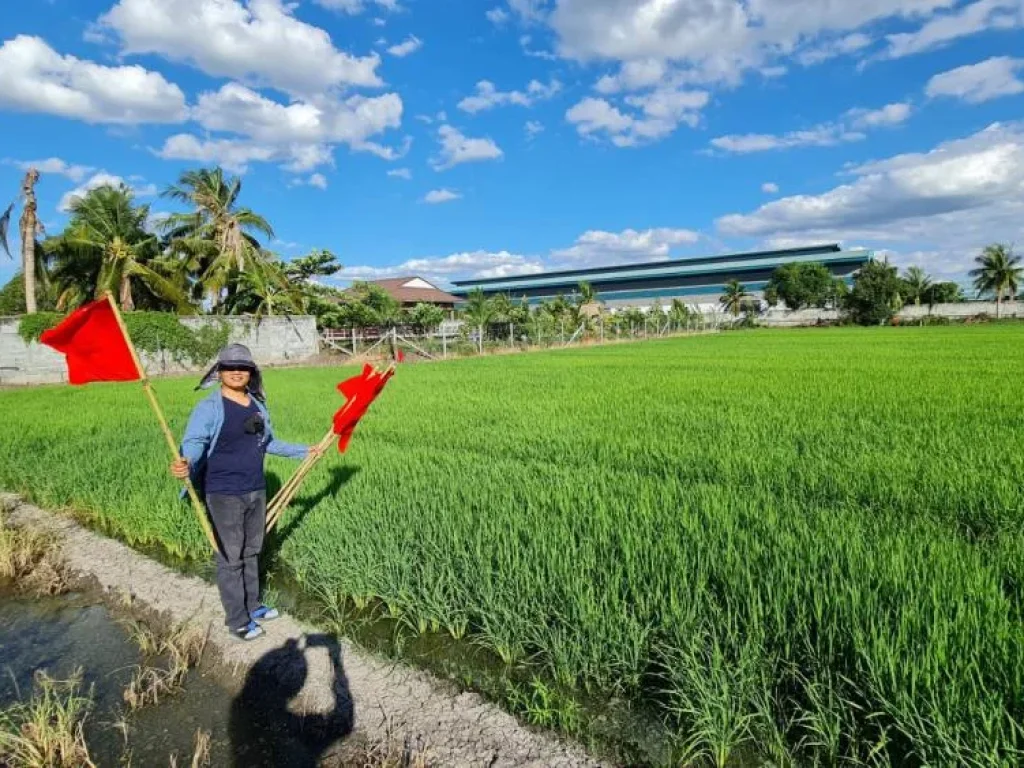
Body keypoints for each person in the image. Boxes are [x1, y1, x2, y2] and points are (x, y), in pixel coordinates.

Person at [170, 343, 321, 641]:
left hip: (254, 488)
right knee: (230, 556)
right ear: (219, 372)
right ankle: (237, 620)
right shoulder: (210, 407)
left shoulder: (256, 404)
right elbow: (195, 442)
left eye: (243, 367)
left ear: (251, 372)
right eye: (230, 367)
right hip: (223, 492)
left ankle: (253, 605)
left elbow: (268, 443)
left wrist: (304, 451)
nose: (237, 372)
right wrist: (185, 462)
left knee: (252, 551)